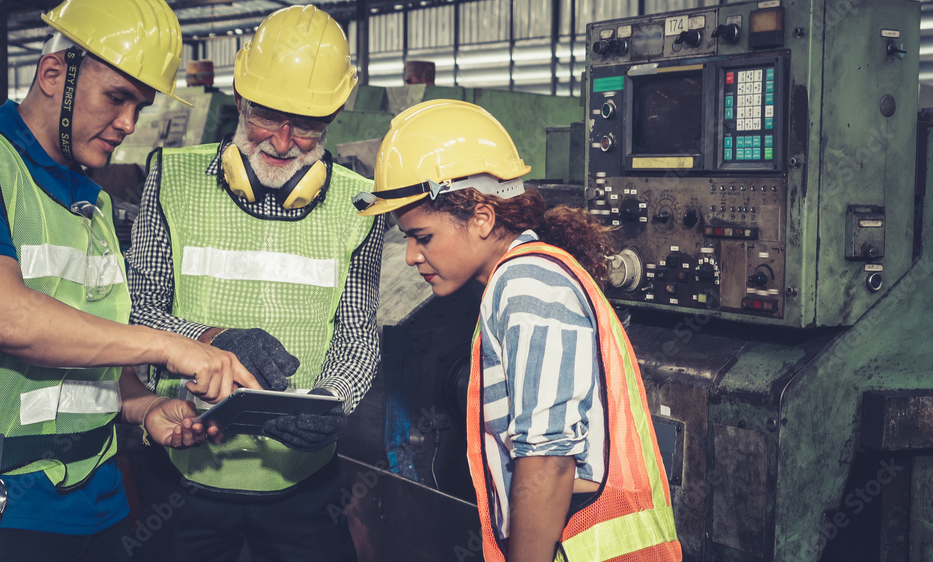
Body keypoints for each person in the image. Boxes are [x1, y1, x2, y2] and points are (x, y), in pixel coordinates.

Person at [0, 0, 267, 559]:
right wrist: (172, 347)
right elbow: (2, 318)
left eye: (140, 106)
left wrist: (145, 409)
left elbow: (94, 354)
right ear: (53, 73)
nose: (129, 124)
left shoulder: (93, 201)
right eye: (117, 97)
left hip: (101, 505)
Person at [353, 99, 682, 562]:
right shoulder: (516, 282)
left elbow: (548, 461)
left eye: (422, 236)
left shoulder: (527, 285)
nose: (410, 256)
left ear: (483, 219)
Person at [125, 5, 382, 561]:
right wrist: (211, 340)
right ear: (239, 97)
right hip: (182, 471)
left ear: (335, 115)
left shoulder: (359, 203)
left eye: (308, 124)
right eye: (267, 115)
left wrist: (332, 400)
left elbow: (358, 331)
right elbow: (137, 309)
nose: (284, 141)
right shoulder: (172, 178)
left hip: (304, 486)